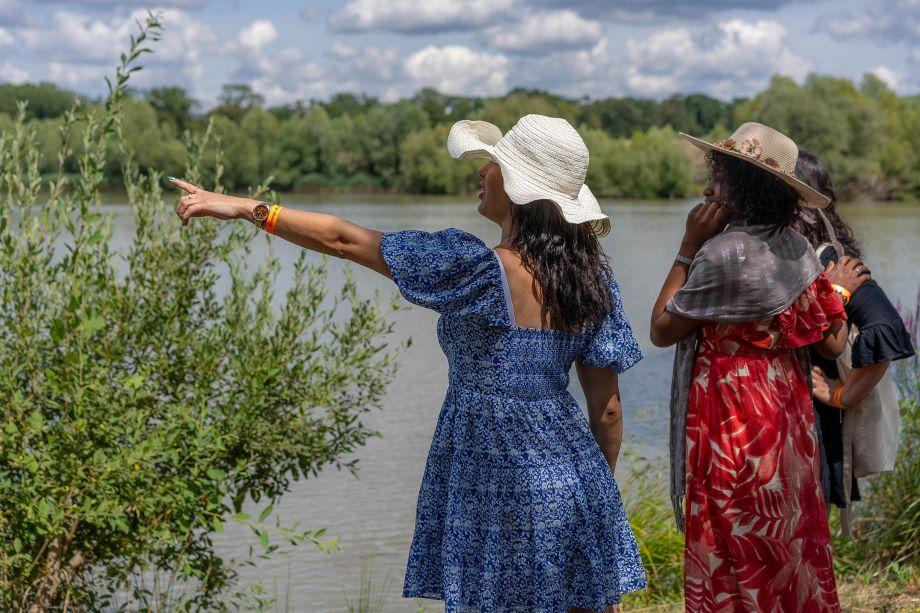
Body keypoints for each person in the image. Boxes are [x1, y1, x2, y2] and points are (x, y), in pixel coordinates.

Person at [170, 114, 646, 612]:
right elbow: (607, 409)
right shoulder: (592, 282)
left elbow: (343, 240)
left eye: (495, 165)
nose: (482, 171)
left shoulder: (478, 268)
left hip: (498, 476)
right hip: (575, 477)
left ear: (521, 189)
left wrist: (247, 208)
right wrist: (595, 494)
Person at [649, 123, 848, 611]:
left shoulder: (722, 254)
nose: (707, 188)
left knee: (732, 528)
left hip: (731, 410)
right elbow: (832, 341)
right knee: (785, 529)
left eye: (719, 176)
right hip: (786, 407)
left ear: (742, 184)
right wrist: (838, 290)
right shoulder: (798, 249)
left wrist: (688, 245)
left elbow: (661, 328)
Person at [794, 150, 915, 528]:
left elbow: (888, 329)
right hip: (795, 419)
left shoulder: (831, 260)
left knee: (808, 538)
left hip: (816, 422)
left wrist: (841, 394)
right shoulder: (798, 256)